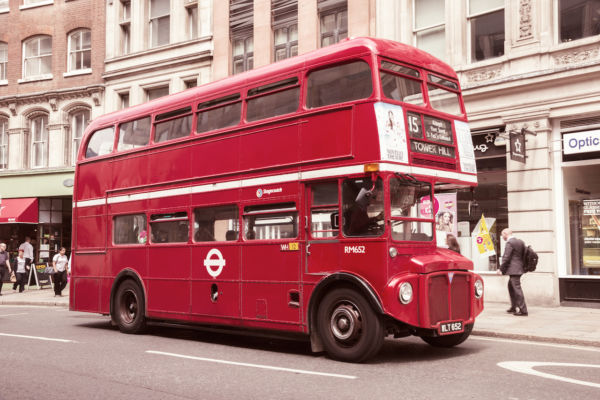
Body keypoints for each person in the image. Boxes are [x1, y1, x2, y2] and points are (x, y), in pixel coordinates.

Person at [497, 228, 528, 316]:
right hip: (519, 268)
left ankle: (523, 310)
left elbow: (506, 257)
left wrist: (501, 269)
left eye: (502, 234)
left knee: (517, 289)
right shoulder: (520, 242)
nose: (502, 236)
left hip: (514, 270)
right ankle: (513, 307)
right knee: (511, 287)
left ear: (505, 233)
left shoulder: (510, 243)